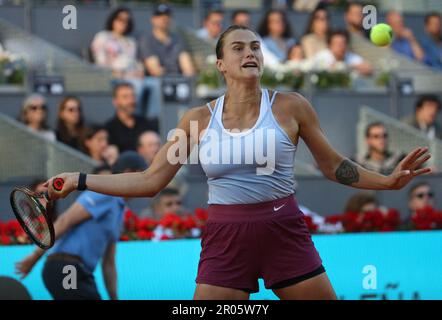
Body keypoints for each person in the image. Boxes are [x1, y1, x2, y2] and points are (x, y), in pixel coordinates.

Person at [45, 25, 432, 300]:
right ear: (221, 65)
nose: (250, 53)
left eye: (255, 47)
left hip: (283, 229)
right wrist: (79, 179)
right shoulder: (197, 120)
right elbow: (150, 181)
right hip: (226, 237)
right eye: (239, 48)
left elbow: (334, 167)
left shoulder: (291, 106)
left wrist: (387, 181)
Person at [15, 152, 148, 300]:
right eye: (142, 174)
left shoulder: (120, 210)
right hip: (66, 268)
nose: (146, 182)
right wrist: (35, 256)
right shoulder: (104, 195)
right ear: (129, 173)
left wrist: (114, 298)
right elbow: (66, 220)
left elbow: (108, 263)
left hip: (81, 272)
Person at [91, 7, 158, 119]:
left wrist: (140, 71)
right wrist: (122, 74)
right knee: (135, 84)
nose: (124, 23)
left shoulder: (130, 41)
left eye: (127, 20)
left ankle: (152, 118)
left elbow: (136, 62)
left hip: (132, 76)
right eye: (120, 19)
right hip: (112, 77)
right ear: (113, 20)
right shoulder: (102, 37)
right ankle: (133, 116)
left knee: (156, 83)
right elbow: (100, 64)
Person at [139, 4, 195, 77]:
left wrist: (188, 76)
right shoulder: (146, 39)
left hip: (179, 80)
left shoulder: (177, 38)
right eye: (159, 15)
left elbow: (187, 66)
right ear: (153, 19)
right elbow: (155, 71)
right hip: (158, 82)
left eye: (167, 15)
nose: (164, 18)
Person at [104, 82, 158, 153]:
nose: (131, 101)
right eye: (125, 97)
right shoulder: (109, 129)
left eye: (132, 96)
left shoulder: (146, 123)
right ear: (115, 101)